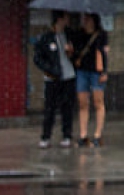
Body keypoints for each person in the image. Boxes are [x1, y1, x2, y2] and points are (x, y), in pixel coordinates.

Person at [33, 11, 76, 148]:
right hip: (53, 78)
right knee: (50, 109)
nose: (68, 20)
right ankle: (46, 137)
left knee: (67, 108)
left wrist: (72, 52)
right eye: (66, 17)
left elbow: (77, 54)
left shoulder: (69, 35)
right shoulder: (46, 37)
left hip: (68, 76)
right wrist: (49, 69)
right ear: (59, 19)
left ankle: (67, 135)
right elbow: (38, 58)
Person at [72, 12, 109, 147]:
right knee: (82, 102)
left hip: (96, 72)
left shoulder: (101, 35)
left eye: (88, 18)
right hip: (82, 71)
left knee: (98, 101)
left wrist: (104, 71)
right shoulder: (79, 34)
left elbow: (104, 53)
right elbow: (75, 52)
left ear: (94, 20)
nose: (85, 21)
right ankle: (83, 135)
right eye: (84, 18)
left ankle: (98, 135)